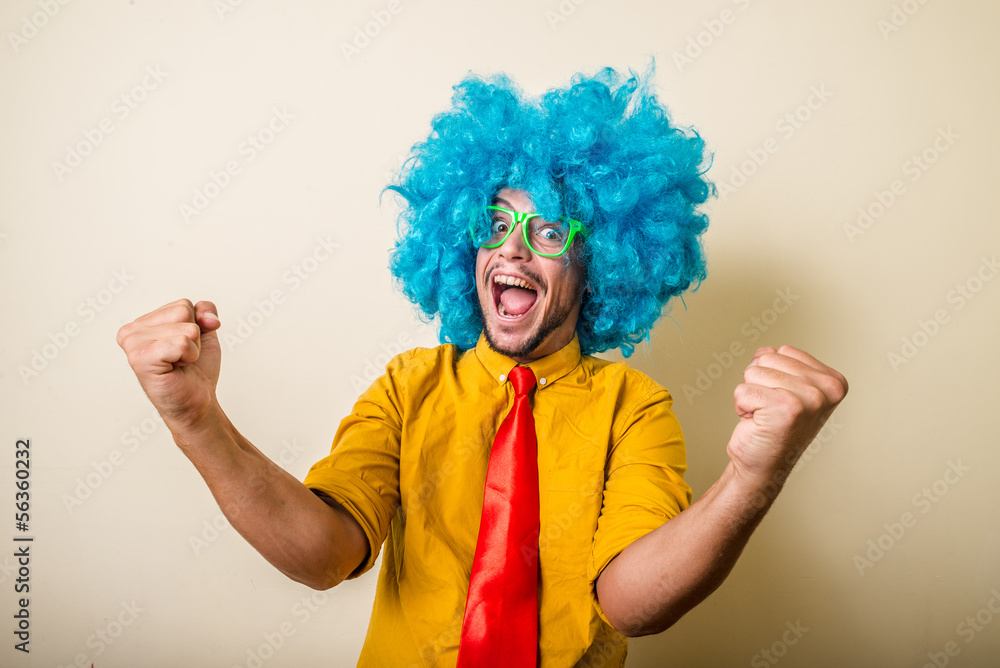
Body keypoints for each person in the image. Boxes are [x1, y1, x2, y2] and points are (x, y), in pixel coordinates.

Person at [117, 66, 847, 667]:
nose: (514, 249)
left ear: (601, 263)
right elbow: (323, 554)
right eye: (496, 225)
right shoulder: (410, 386)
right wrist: (196, 419)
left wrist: (756, 475)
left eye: (550, 230)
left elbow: (631, 602)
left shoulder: (635, 408)